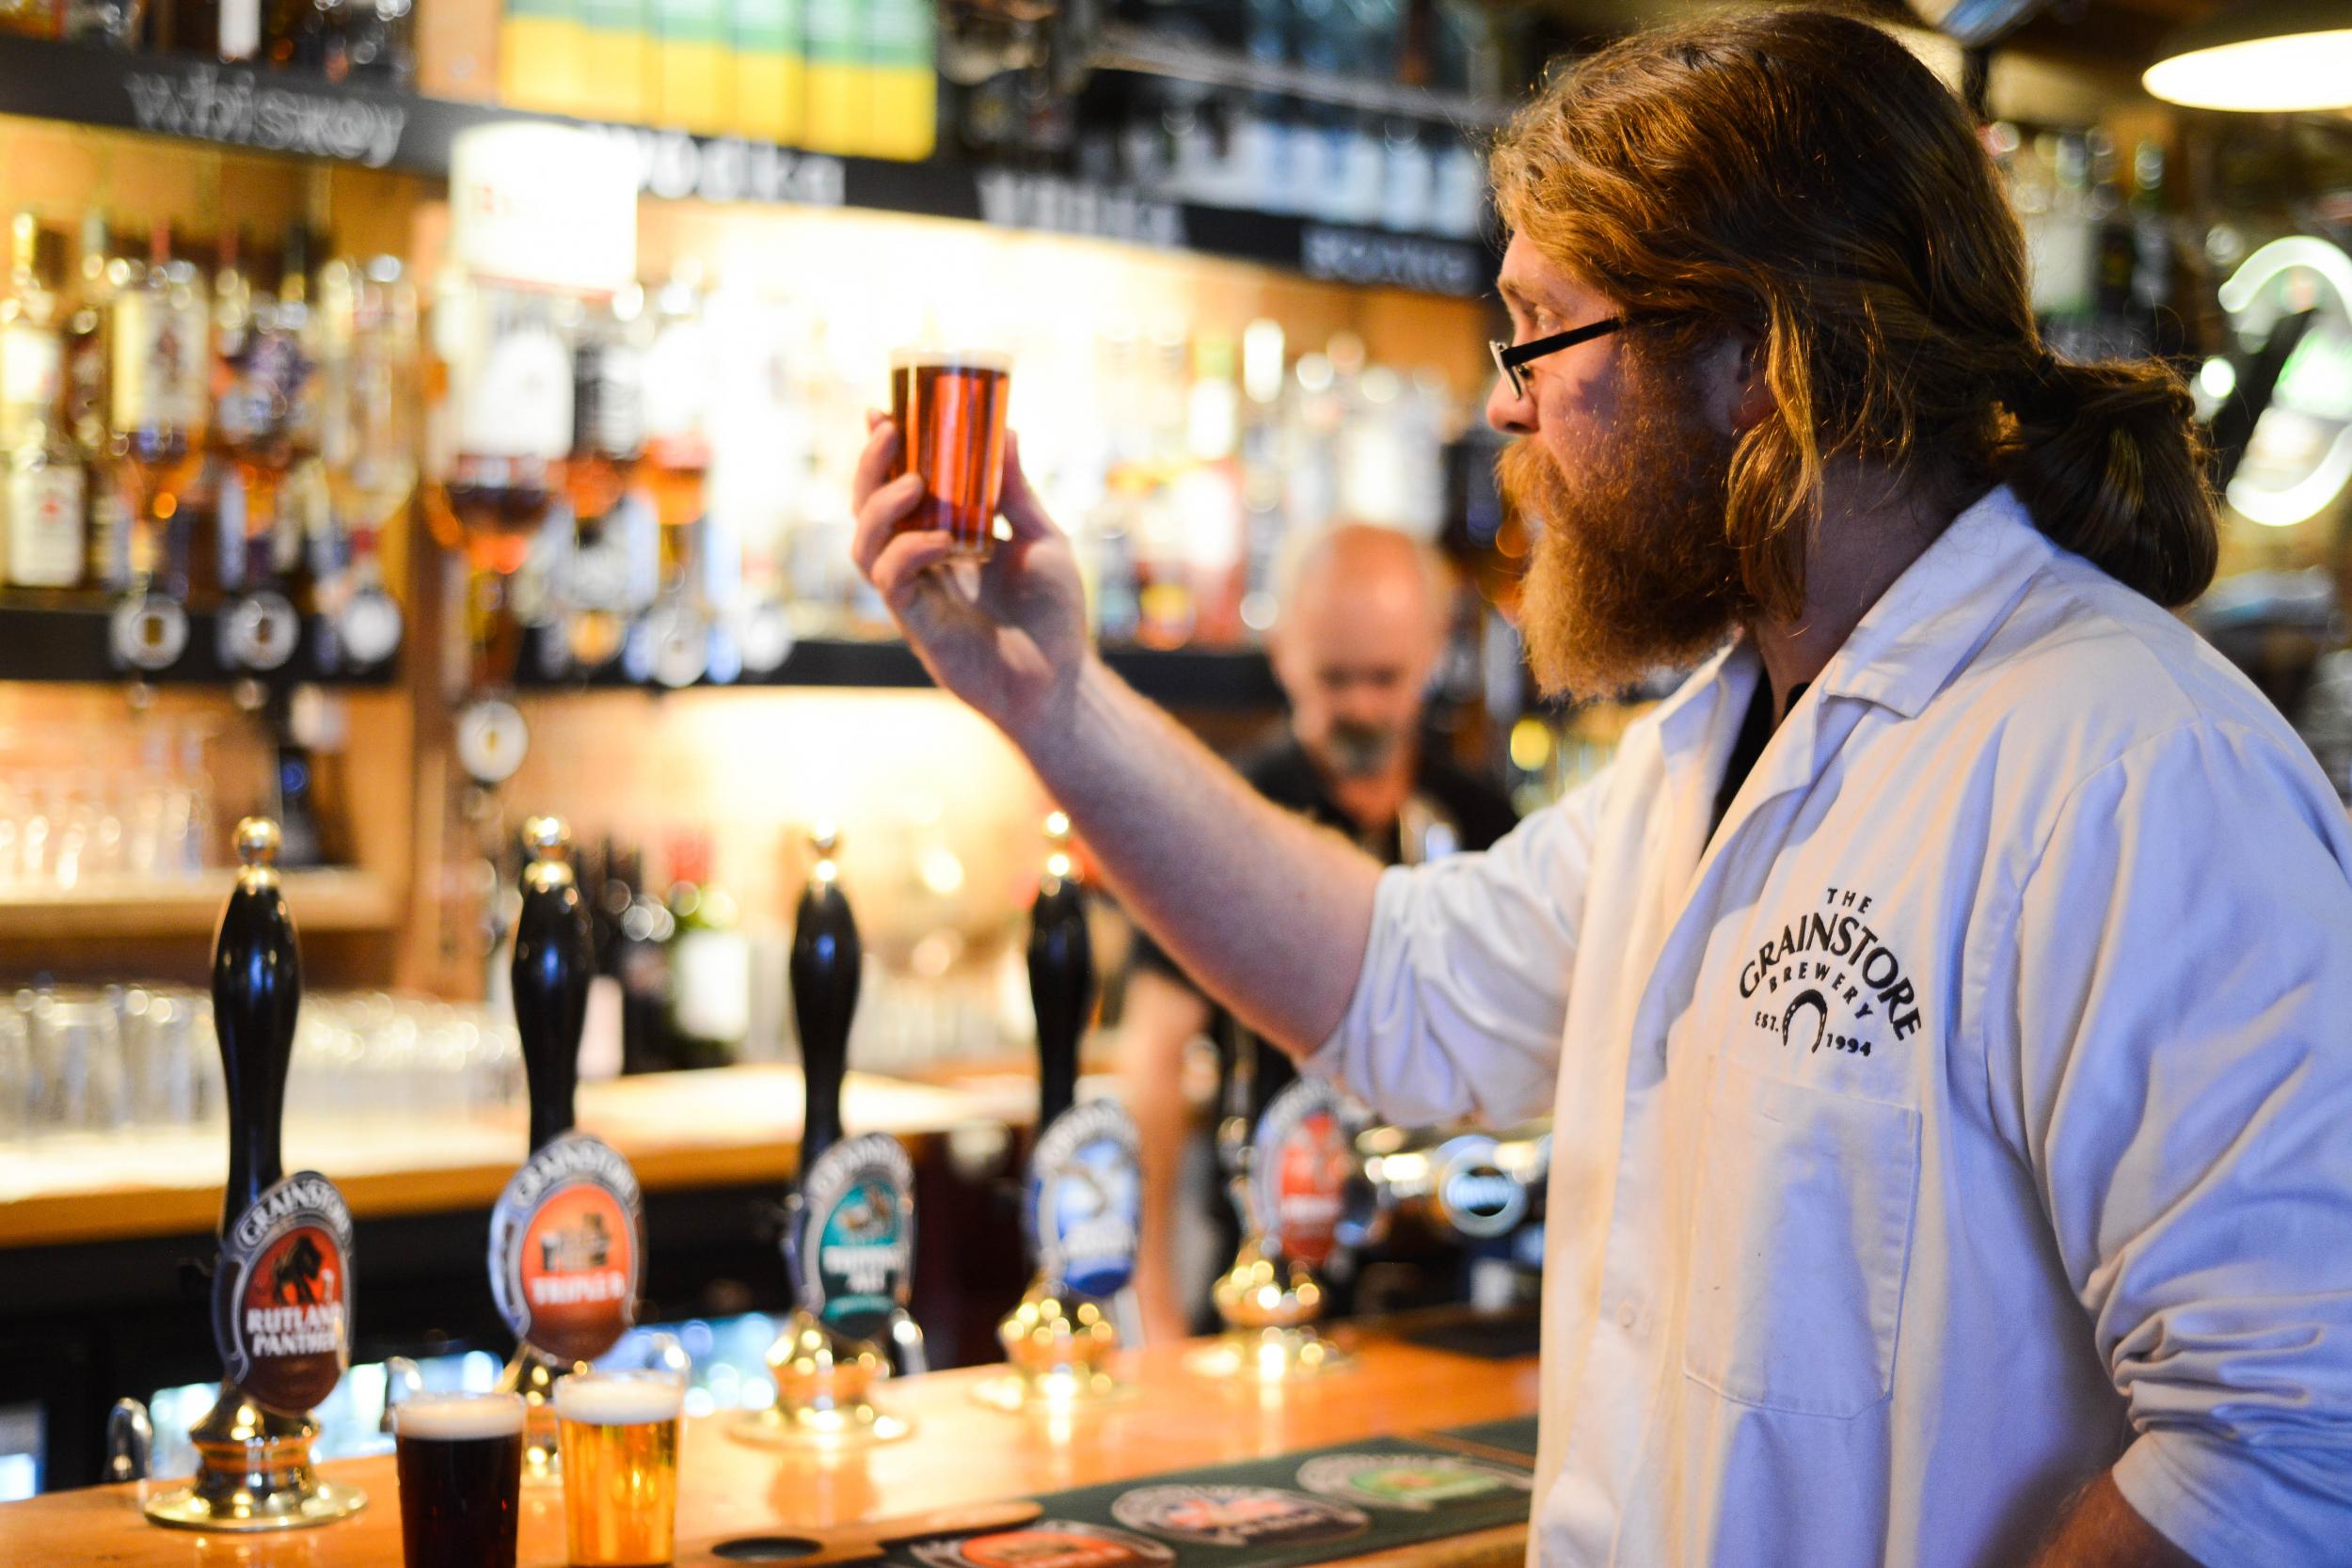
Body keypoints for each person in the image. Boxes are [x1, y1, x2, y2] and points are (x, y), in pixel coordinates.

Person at [851, 13, 2352, 1566]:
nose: (1503, 405)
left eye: (1539, 333)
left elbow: (2299, 1433)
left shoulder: (2125, 769)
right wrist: (1053, 700)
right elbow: (1402, 986)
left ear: (1756, 366)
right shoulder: (1723, 742)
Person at [1119, 523, 1518, 1343]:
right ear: (1284, 652)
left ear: (1434, 651)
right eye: (1336, 678)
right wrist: (1150, 1298)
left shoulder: (1479, 817)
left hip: (1459, 1288)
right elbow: (1151, 1061)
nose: (1364, 707)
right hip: (1267, 1282)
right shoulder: (1230, 813)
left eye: (1387, 677)